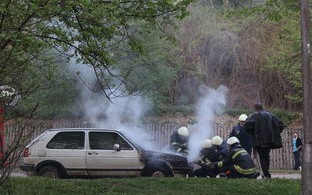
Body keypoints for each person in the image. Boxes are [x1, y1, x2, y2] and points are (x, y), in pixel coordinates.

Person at [244, 103, 285, 178]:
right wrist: (274, 133)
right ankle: (266, 173)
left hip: (259, 140)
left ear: (255, 108)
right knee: (266, 156)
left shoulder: (254, 115)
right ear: (262, 107)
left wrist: (253, 132)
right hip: (270, 140)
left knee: (262, 157)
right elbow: (281, 124)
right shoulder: (271, 115)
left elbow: (247, 126)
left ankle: (266, 174)